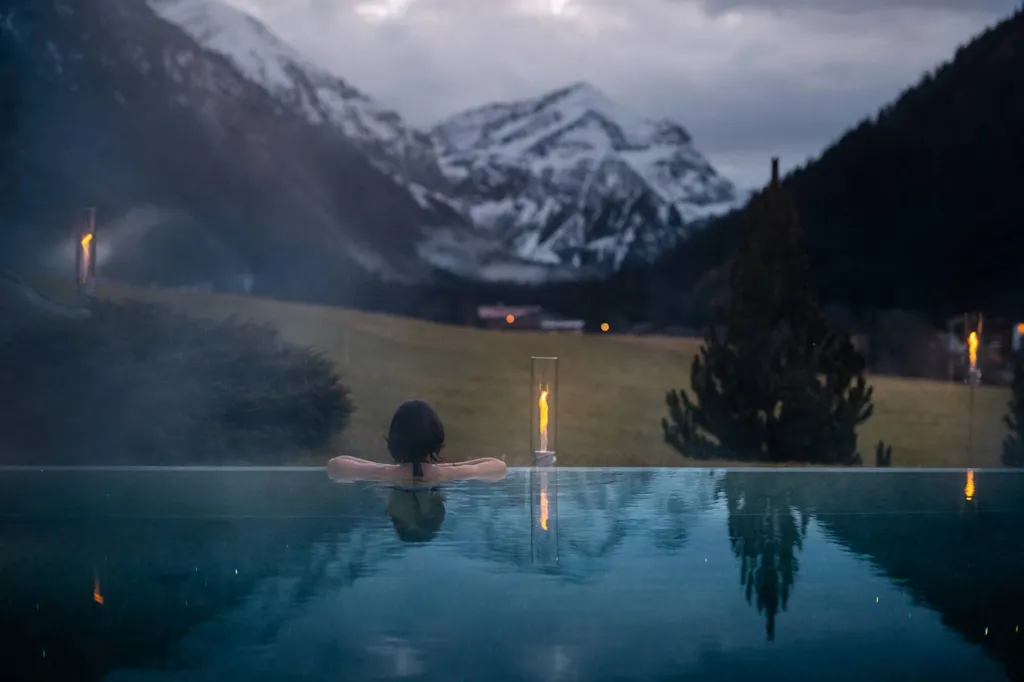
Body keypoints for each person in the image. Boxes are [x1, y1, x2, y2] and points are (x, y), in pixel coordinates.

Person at [326, 399, 507, 483]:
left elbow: (336, 464)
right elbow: (498, 466)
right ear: (436, 436)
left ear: (395, 439)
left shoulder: (384, 474)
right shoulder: (448, 475)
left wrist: (382, 468)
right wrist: (449, 468)